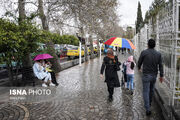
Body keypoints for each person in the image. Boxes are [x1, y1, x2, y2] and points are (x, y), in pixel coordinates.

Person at [138, 39, 164, 116]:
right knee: (151, 90)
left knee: (146, 91)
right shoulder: (158, 54)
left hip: (146, 75)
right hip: (154, 75)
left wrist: (139, 67)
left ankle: (148, 109)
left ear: (147, 44)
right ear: (155, 45)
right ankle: (149, 103)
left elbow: (139, 62)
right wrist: (161, 75)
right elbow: (161, 65)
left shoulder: (144, 52)